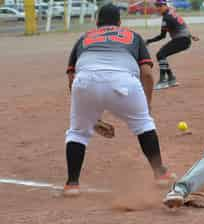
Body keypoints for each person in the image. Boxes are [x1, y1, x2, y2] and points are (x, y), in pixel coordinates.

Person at [64, 4, 176, 197]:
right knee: (143, 124)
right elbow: (147, 74)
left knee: (78, 133)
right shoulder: (132, 36)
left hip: (85, 83)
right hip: (123, 82)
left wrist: (92, 118)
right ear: (119, 22)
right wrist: (146, 104)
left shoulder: (84, 38)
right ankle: (160, 174)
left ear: (97, 22)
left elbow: (72, 78)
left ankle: (72, 184)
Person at [145, 0, 199, 90]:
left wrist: (148, 41)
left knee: (160, 55)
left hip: (181, 40)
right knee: (162, 55)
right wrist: (191, 36)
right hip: (184, 39)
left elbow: (162, 36)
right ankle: (171, 79)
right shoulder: (172, 13)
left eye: (159, 6)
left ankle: (163, 81)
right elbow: (181, 25)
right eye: (157, 6)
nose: (158, 8)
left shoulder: (167, 18)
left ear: (165, 5)